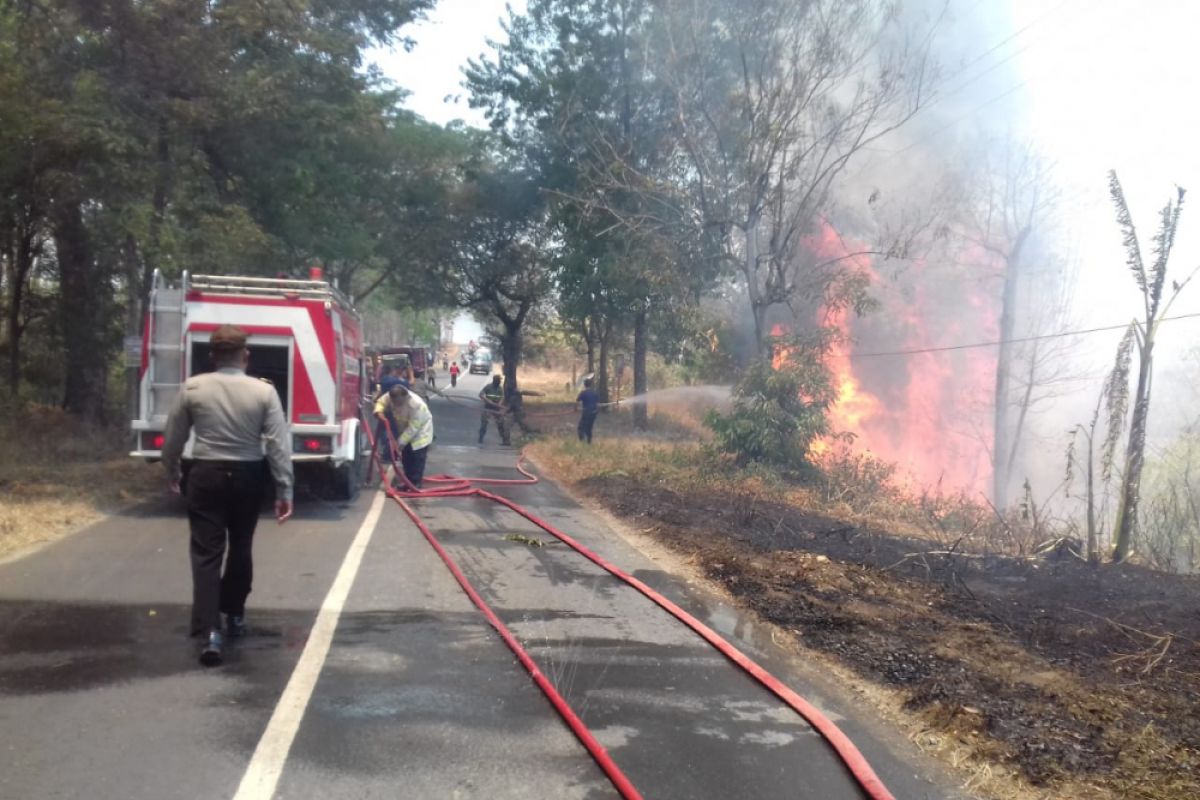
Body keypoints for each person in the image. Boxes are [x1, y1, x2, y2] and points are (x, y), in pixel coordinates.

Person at [162, 325, 293, 667]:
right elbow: (278, 444)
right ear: (245, 356)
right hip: (249, 475)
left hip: (204, 474)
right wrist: (284, 488)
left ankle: (209, 632)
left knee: (206, 554)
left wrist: (173, 471)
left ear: (212, 357)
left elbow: (173, 439)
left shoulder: (193, 388)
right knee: (241, 546)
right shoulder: (263, 393)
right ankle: (234, 615)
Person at [374, 381, 434, 488]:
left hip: (421, 433)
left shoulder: (416, 405)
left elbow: (413, 429)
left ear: (405, 397)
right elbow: (381, 402)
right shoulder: (390, 395)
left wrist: (398, 443)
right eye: (395, 403)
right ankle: (408, 482)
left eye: (399, 403)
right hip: (405, 430)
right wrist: (379, 412)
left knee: (416, 458)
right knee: (406, 457)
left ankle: (415, 484)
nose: (397, 406)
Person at [478, 374, 509, 446]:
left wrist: (500, 403)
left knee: (500, 423)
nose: (499, 382)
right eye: (498, 380)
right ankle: (481, 438)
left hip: (496, 408)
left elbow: (502, 397)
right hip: (488, 407)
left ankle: (504, 440)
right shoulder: (488, 387)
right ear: (495, 380)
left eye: (500, 380)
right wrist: (487, 400)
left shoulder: (500, 388)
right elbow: (480, 394)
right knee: (484, 422)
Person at [576, 377, 600, 444]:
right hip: (593, 413)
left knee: (581, 427)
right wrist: (596, 411)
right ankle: (589, 442)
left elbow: (577, 402)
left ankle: (582, 441)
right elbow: (597, 405)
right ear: (590, 385)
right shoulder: (595, 393)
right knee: (589, 427)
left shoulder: (583, 393)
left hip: (586, 412)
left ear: (584, 385)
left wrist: (576, 409)